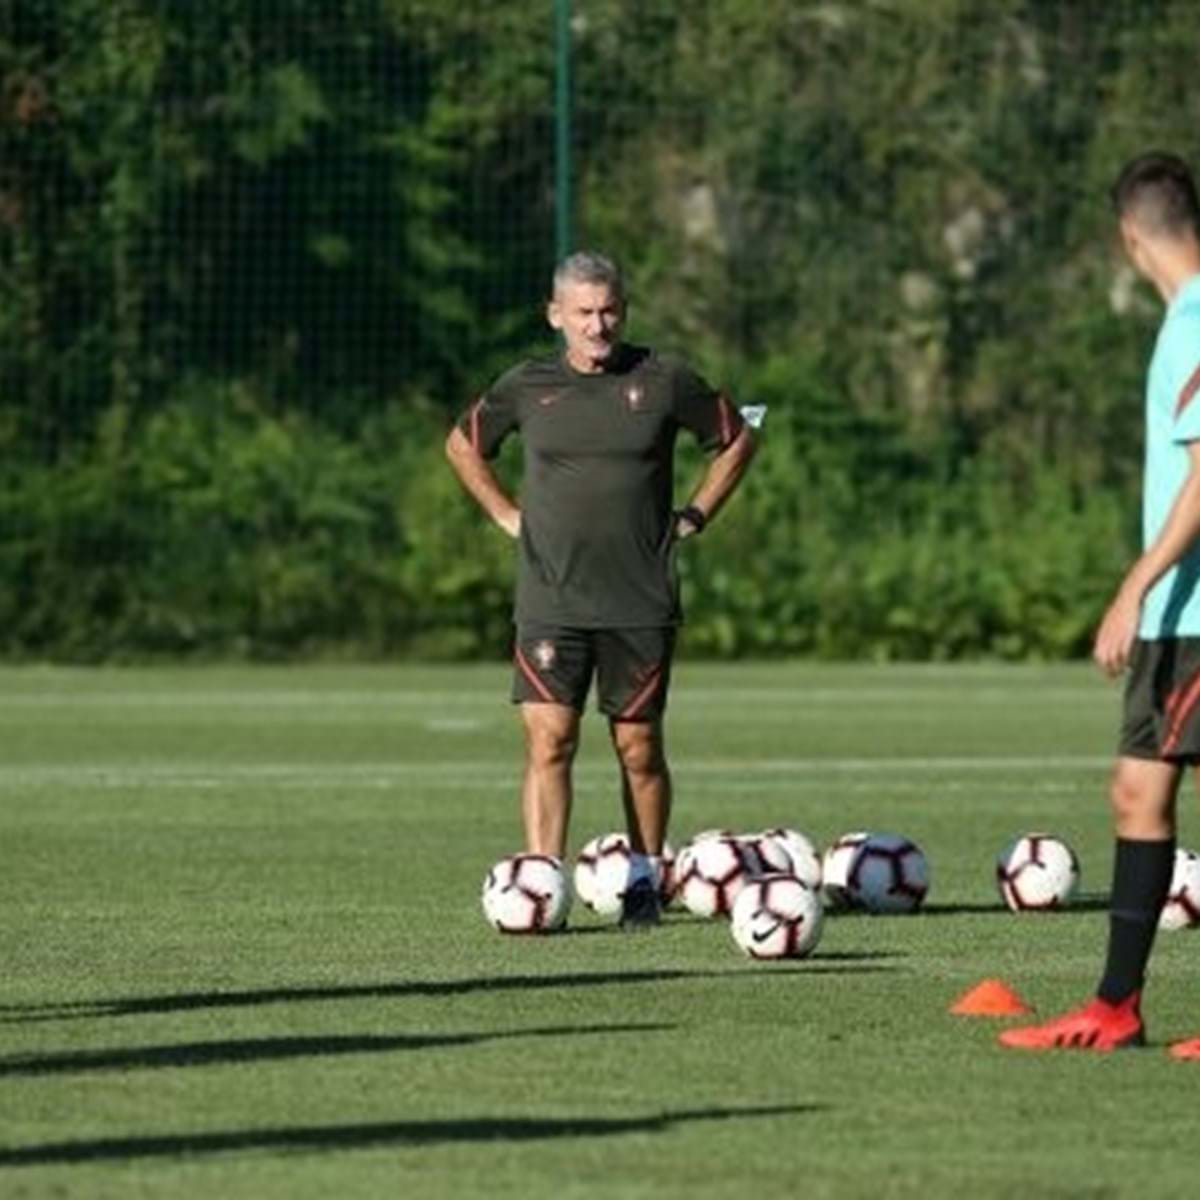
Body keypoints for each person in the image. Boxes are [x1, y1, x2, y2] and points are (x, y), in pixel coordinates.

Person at [444, 250, 756, 929]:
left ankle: (646, 880)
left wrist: (696, 514)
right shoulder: (527, 386)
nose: (598, 324)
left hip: (639, 596)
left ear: (625, 309)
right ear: (556, 315)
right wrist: (504, 514)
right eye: (583, 312)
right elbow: (463, 445)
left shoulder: (665, 378)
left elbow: (736, 438)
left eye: (609, 309)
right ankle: (543, 885)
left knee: (638, 746)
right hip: (550, 596)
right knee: (550, 739)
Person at [1000, 152, 1200, 1057]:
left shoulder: (1197, 322)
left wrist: (1136, 581)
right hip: (1179, 619)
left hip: (1191, 614)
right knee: (1137, 789)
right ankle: (1116, 1005)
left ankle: (1118, 1000)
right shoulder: (1182, 321)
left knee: (1144, 788)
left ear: (1129, 237)